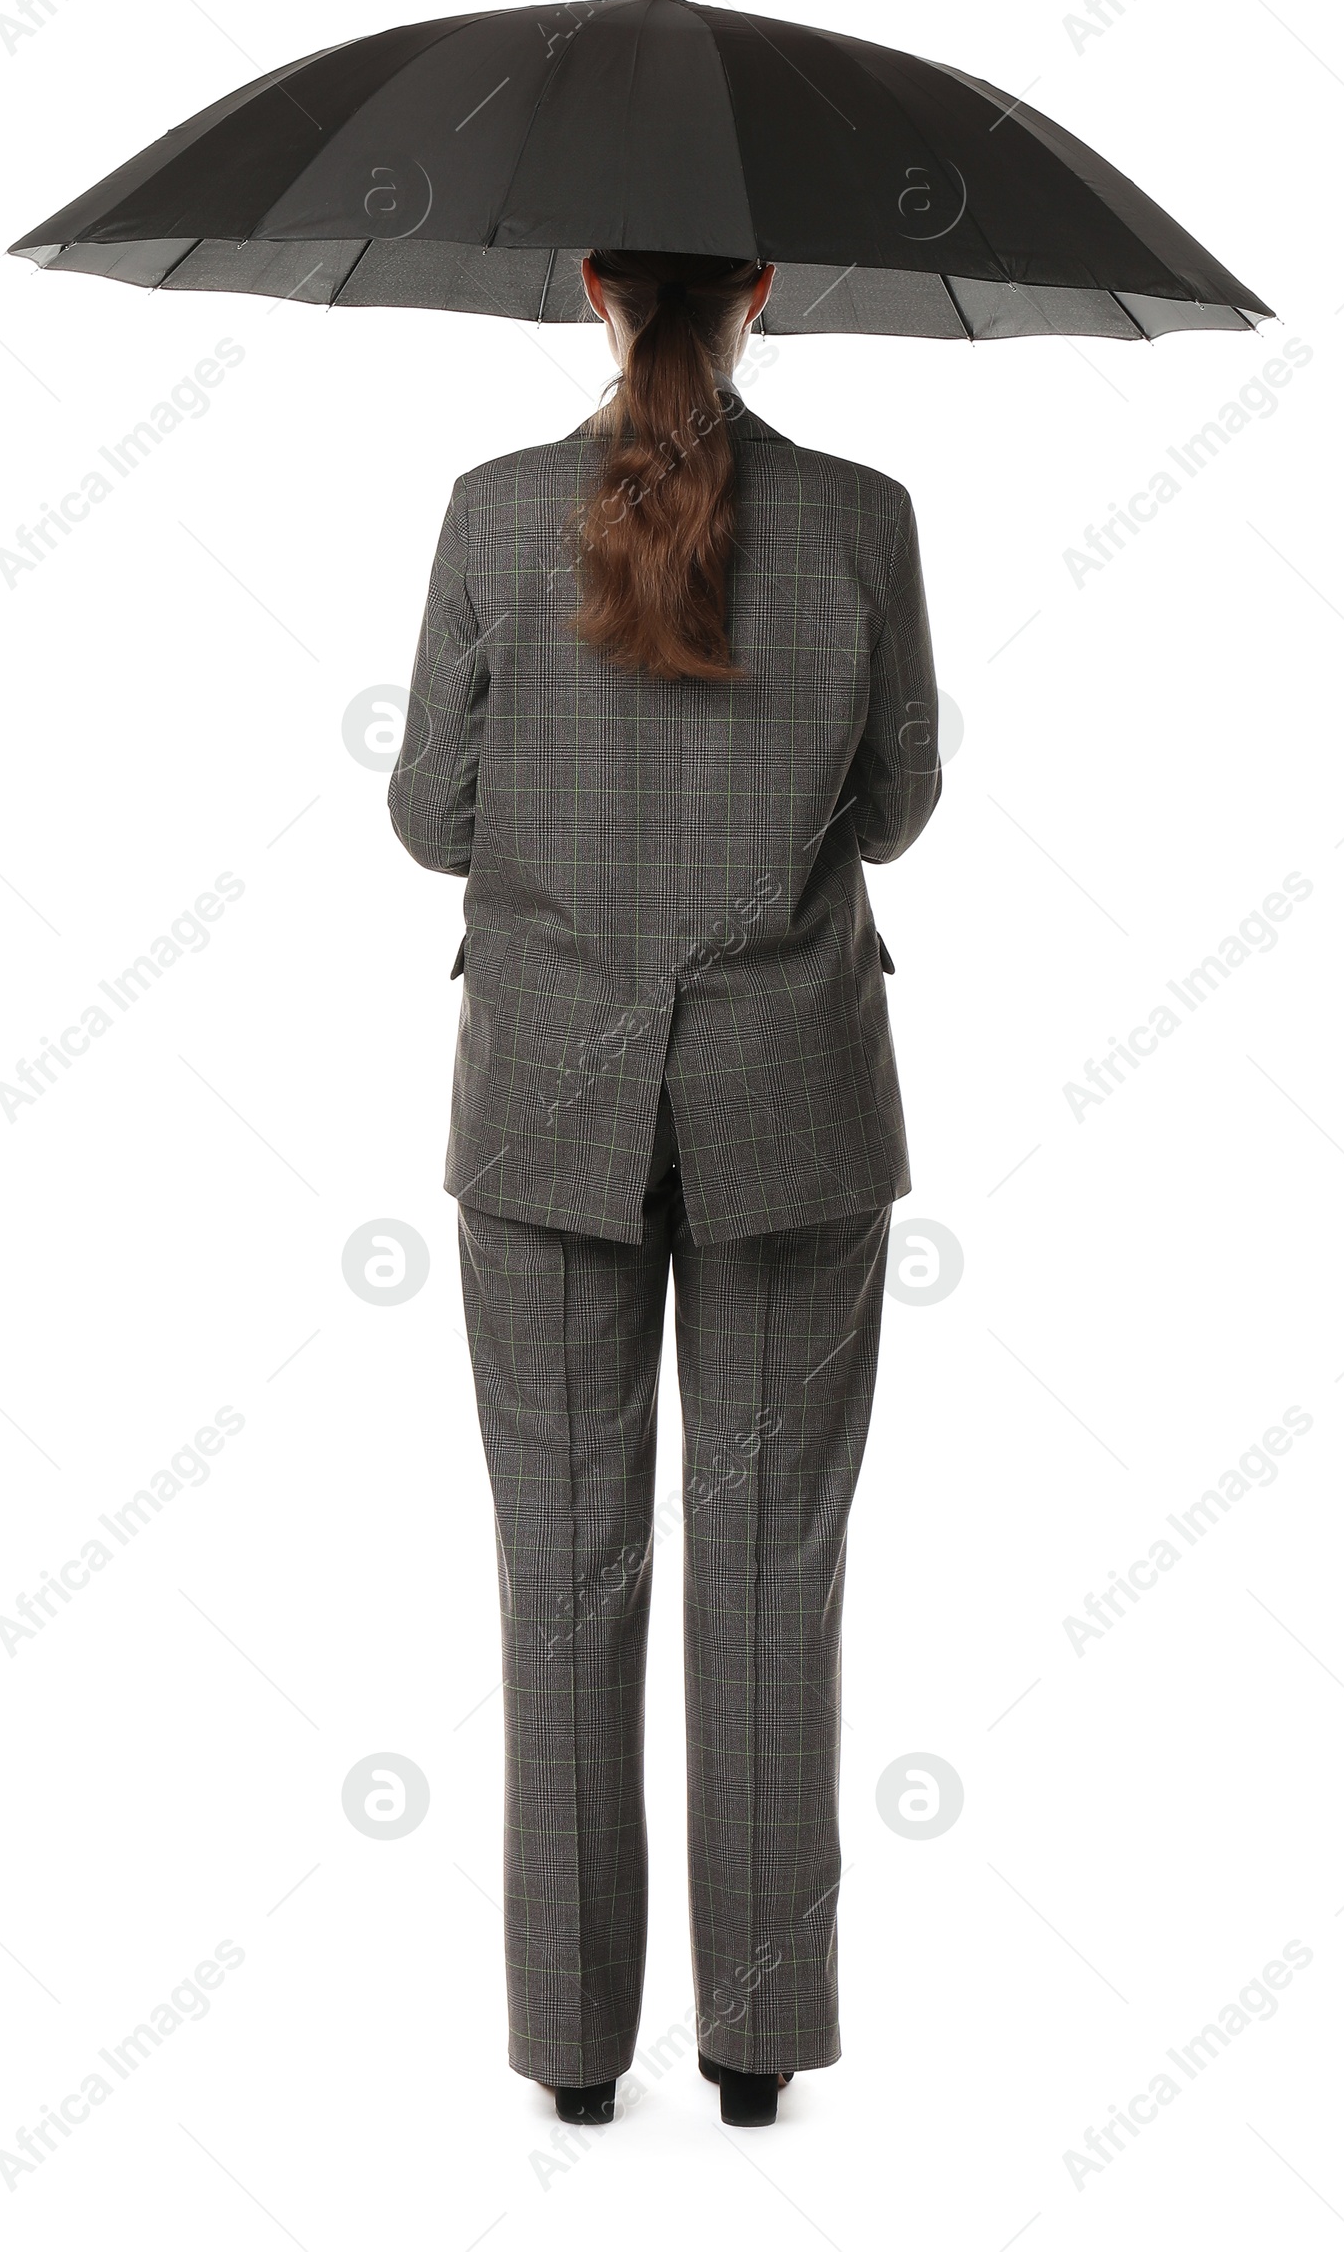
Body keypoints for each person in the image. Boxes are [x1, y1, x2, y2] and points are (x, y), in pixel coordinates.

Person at [388, 248, 941, 2130]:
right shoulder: (867, 520)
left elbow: (426, 819)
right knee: (777, 1571)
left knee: (560, 1573)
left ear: (590, 286)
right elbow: (902, 800)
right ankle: (758, 2055)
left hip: (547, 1098)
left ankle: (569, 2056)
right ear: (768, 286)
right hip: (791, 1096)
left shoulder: (489, 512)